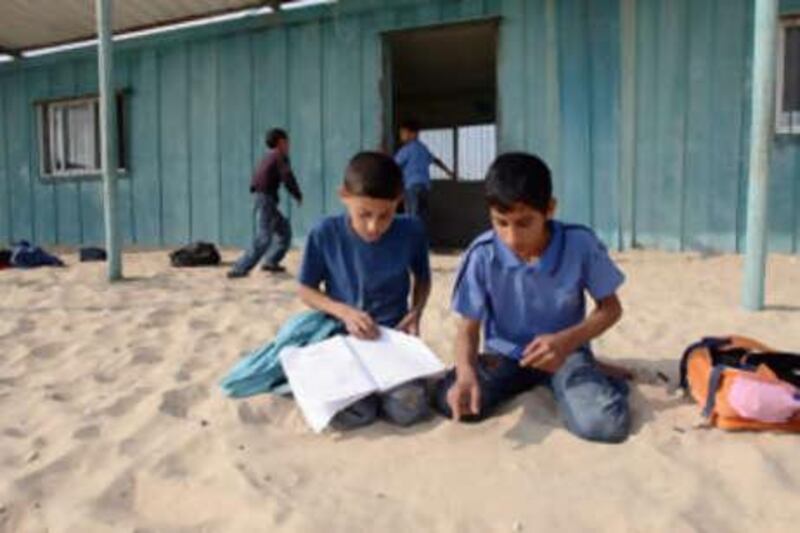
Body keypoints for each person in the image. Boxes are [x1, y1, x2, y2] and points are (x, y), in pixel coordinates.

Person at [435, 152, 631, 443]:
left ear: (549, 209)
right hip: (504, 356)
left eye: (524, 223)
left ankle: (590, 370)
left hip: (565, 353)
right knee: (456, 404)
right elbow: (468, 328)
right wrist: (465, 373)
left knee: (603, 426)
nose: (512, 237)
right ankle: (588, 372)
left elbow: (611, 309)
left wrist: (566, 341)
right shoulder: (482, 254)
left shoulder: (579, 244)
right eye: (501, 223)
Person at [298, 151, 432, 429]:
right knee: (355, 412)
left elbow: (423, 278)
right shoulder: (325, 233)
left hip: (391, 339)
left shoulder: (412, 231)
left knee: (407, 408)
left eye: (385, 215)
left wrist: (416, 311)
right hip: (341, 338)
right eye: (364, 214)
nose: (374, 226)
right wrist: (343, 312)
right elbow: (306, 289)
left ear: (399, 201)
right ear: (343, 196)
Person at [227, 128, 302, 278]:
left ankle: (270, 262)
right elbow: (287, 177)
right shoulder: (279, 156)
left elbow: (257, 178)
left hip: (266, 199)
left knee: (284, 231)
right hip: (265, 199)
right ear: (281, 142)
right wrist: (297, 194)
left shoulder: (270, 156)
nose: (288, 145)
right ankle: (239, 268)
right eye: (287, 142)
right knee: (264, 237)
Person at [394, 119, 455, 226]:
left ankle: (412, 240)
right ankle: (423, 240)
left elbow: (393, 165)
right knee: (422, 216)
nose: (401, 136)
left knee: (411, 216)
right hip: (425, 188)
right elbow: (436, 160)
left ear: (413, 134)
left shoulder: (407, 149)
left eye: (403, 133)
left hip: (411, 187)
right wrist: (448, 171)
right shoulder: (423, 148)